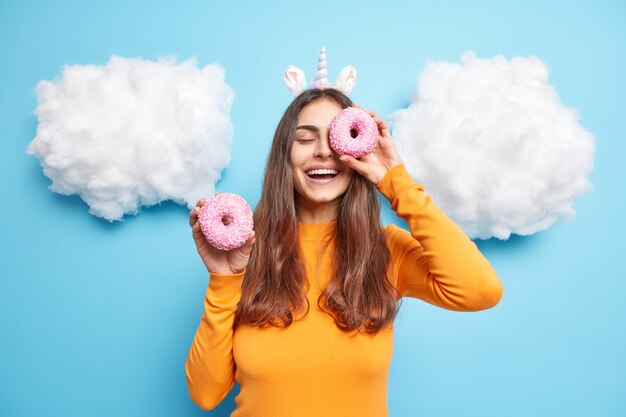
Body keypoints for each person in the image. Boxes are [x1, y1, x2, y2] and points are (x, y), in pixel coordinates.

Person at [185, 88, 503, 417]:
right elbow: (206, 393)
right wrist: (224, 279)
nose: (323, 152)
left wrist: (397, 183)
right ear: (284, 156)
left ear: (359, 150)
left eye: (336, 139)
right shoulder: (246, 251)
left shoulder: (385, 250)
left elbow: (481, 291)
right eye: (305, 139)